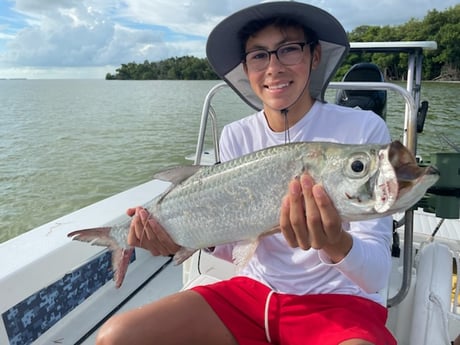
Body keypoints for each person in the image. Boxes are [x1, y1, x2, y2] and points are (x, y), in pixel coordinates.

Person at [96, 2, 397, 345]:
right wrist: (190, 238)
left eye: (288, 49)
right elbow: (237, 246)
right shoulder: (235, 135)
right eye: (258, 55)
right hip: (255, 295)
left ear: (314, 56)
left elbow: (375, 276)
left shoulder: (361, 131)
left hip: (338, 303)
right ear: (246, 67)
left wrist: (334, 241)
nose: (274, 68)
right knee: (115, 337)